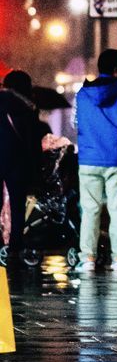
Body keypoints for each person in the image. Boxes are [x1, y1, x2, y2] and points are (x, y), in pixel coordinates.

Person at [74, 49, 117, 273]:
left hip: (89, 158)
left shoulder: (82, 95)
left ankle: (88, 259)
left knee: (90, 210)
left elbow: (76, 123)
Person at [0, 71, 45, 264]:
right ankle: (15, 248)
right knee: (18, 206)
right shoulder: (26, 107)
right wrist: (36, 169)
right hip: (16, 161)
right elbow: (31, 142)